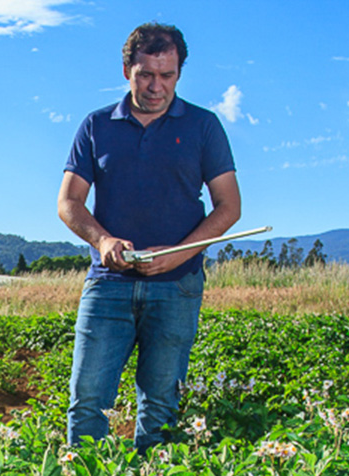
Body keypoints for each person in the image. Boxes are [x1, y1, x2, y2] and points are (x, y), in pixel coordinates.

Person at [58, 22, 241, 453]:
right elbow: (69, 202)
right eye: (145, 75)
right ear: (127, 71)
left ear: (179, 73)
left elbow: (229, 206)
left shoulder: (203, 126)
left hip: (176, 287)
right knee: (87, 402)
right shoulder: (96, 126)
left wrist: (178, 255)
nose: (156, 87)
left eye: (167, 75)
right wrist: (103, 241)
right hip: (108, 285)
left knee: (161, 407)